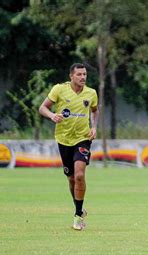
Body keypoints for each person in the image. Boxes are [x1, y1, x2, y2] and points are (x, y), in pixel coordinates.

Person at [39, 63, 99, 231]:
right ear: (71, 76)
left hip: (83, 138)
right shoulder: (59, 90)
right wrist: (52, 115)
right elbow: (42, 108)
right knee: (71, 179)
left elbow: (95, 111)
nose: (83, 77)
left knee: (79, 175)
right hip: (63, 139)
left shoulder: (91, 93)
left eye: (85, 74)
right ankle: (79, 209)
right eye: (79, 74)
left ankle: (78, 215)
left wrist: (94, 127)